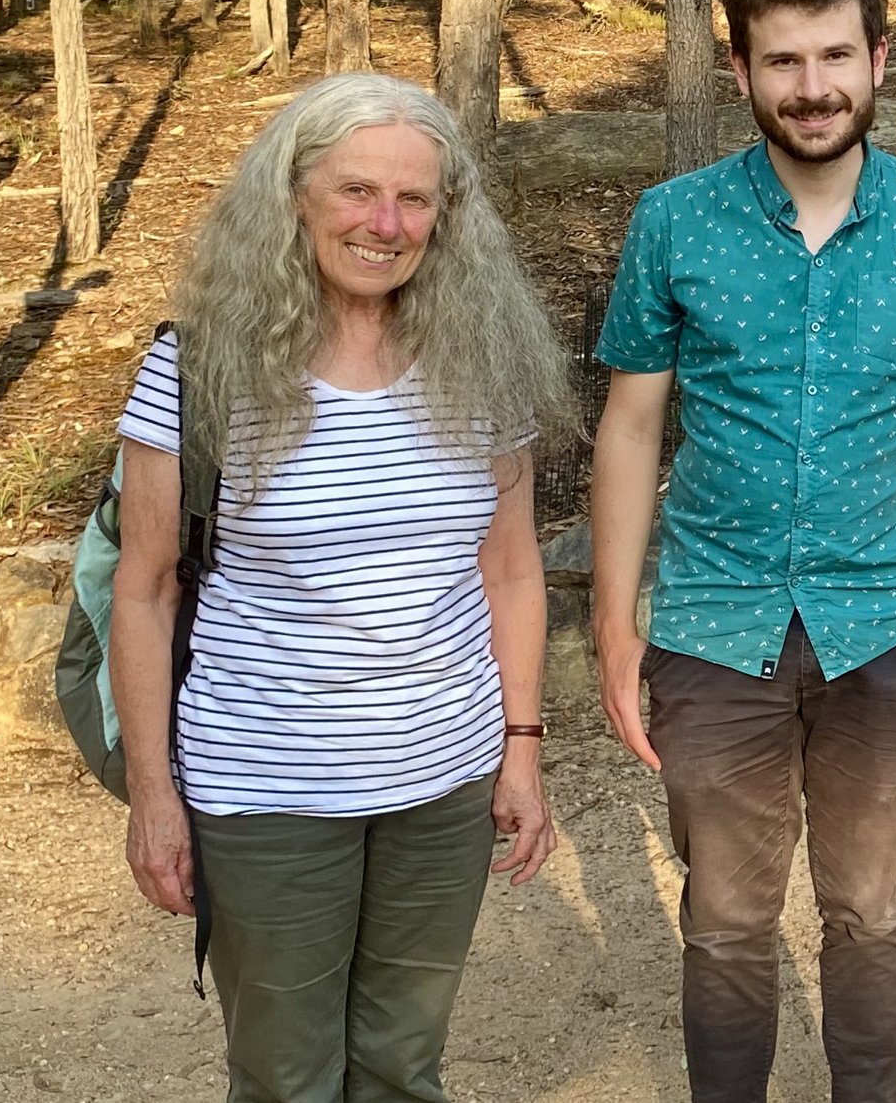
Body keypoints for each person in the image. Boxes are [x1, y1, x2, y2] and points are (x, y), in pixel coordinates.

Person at [590, 0, 896, 1103]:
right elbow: (630, 427)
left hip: (888, 619)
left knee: (869, 910)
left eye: (836, 53)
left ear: (878, 59)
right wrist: (614, 624)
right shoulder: (674, 221)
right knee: (727, 919)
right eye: (783, 59)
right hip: (712, 619)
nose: (813, 83)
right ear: (740, 72)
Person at [111, 72, 570, 1103]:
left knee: (404, 1065)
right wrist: (154, 795)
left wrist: (521, 751)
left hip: (443, 784)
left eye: (414, 198)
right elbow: (142, 590)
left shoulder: (481, 358)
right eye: (357, 190)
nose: (385, 222)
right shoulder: (198, 373)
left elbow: (509, 567)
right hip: (267, 790)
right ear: (295, 197)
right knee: (286, 1076)